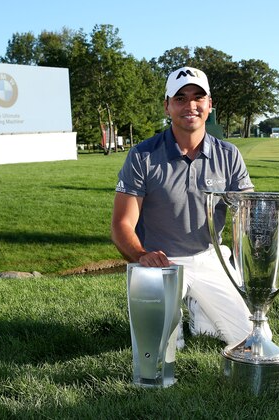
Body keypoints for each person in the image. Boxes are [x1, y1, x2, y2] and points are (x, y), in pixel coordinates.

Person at [111, 66, 256, 346]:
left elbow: (247, 215)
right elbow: (121, 225)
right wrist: (142, 255)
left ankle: (200, 309)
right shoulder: (142, 155)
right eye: (180, 98)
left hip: (210, 257)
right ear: (167, 106)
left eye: (198, 97)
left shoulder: (229, 155)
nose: (190, 105)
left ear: (209, 104)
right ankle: (185, 309)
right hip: (160, 263)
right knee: (158, 351)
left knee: (250, 340)